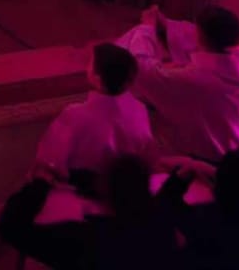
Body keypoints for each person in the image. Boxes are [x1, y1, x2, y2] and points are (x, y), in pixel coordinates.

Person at [118, 5, 239, 160]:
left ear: (201, 35)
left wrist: (146, 28)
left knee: (132, 101)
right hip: (235, 149)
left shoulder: (195, 80)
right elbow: (197, 38)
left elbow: (140, 68)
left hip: (204, 157)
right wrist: (165, 24)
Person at [0, 154, 183, 269]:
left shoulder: (87, 241)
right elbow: (158, 195)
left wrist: (40, 183)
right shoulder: (163, 222)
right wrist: (72, 176)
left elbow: (10, 227)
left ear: (107, 195)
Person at [36, 43, 154, 190]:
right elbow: (146, 154)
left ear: (97, 79)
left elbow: (51, 162)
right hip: (130, 190)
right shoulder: (140, 109)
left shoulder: (74, 115)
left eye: (90, 63)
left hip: (84, 192)